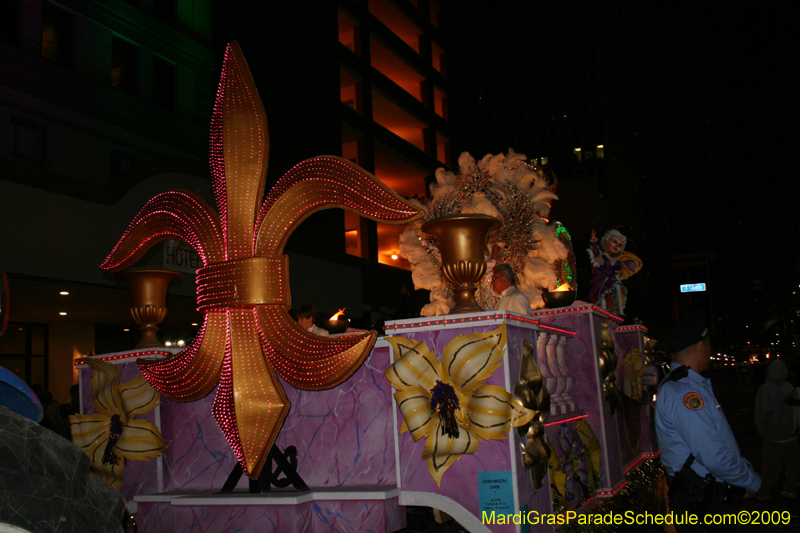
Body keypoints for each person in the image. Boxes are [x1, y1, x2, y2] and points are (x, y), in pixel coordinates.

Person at [654, 310, 760, 531]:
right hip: (702, 503)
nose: (710, 349)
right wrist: (750, 480)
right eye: (708, 342)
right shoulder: (686, 394)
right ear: (700, 346)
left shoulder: (685, 387)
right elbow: (713, 456)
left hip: (702, 498)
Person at [754, 358, 798, 500]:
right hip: (791, 434)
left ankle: (765, 491)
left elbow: (762, 412)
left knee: (770, 466)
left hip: (774, 435)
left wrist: (761, 429)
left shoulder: (765, 389)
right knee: (793, 465)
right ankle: (791, 489)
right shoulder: (789, 387)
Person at [587, 229, 642, 316]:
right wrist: (594, 241)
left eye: (619, 245)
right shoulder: (602, 256)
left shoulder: (617, 260)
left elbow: (618, 268)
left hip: (611, 279)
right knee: (602, 295)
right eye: (614, 242)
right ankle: (603, 312)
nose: (616, 246)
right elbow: (596, 252)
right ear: (605, 242)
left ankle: (620, 311)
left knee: (617, 287)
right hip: (601, 280)